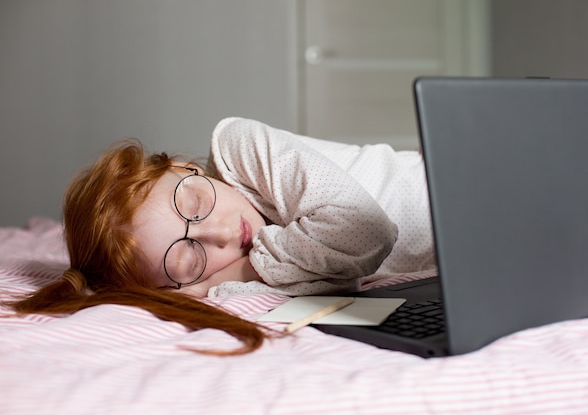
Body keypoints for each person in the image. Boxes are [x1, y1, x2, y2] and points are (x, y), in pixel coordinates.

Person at [7, 117, 435, 355]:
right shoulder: (209, 289)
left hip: (461, 188)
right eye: (189, 259)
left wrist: (232, 272)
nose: (221, 233)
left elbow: (367, 233)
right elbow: (342, 284)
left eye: (194, 203)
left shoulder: (238, 145)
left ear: (184, 167)